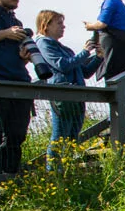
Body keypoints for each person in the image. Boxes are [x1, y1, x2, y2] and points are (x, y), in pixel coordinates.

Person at [33, 10, 100, 165]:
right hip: (62, 94)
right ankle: (53, 172)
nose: (63, 26)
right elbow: (62, 65)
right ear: (46, 25)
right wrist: (85, 52)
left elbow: (84, 72)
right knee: (59, 136)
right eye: (59, 23)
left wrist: (98, 58)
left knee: (72, 136)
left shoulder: (62, 48)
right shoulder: (43, 43)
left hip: (76, 94)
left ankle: (67, 167)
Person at [83, 0, 125, 133]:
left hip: (114, 51)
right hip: (121, 49)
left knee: (117, 86)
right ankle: (123, 122)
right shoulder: (119, 3)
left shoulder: (110, 2)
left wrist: (90, 26)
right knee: (124, 86)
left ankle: (124, 124)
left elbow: (102, 23)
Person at [0, 0, 33, 174]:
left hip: (19, 82)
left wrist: (24, 57)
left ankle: (9, 182)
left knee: (16, 136)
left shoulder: (14, 19)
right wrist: (5, 33)